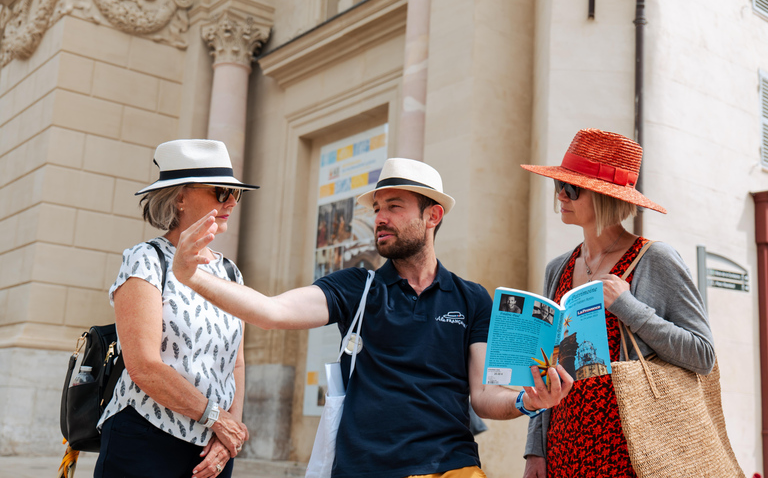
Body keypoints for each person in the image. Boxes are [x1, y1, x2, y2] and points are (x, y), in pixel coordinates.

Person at [172, 157, 574, 478]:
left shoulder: (470, 297)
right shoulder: (356, 287)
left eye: (394, 207)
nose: (380, 218)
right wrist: (193, 277)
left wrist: (527, 400)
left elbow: (484, 396)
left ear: (432, 217)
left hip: (453, 466)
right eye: (378, 208)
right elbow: (273, 312)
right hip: (366, 467)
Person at [519, 129, 716, 478]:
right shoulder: (558, 268)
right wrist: (536, 450)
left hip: (632, 451)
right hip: (565, 447)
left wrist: (628, 306)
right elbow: (544, 365)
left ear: (604, 197)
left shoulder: (655, 259)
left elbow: (702, 355)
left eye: (572, 188)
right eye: (558, 186)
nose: (561, 196)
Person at [94, 139, 257, 478]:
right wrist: (218, 418)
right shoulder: (146, 259)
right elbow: (144, 367)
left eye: (234, 193)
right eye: (219, 191)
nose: (230, 201)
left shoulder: (229, 271)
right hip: (144, 439)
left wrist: (229, 435)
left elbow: (236, 363)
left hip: (213, 449)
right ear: (180, 197)